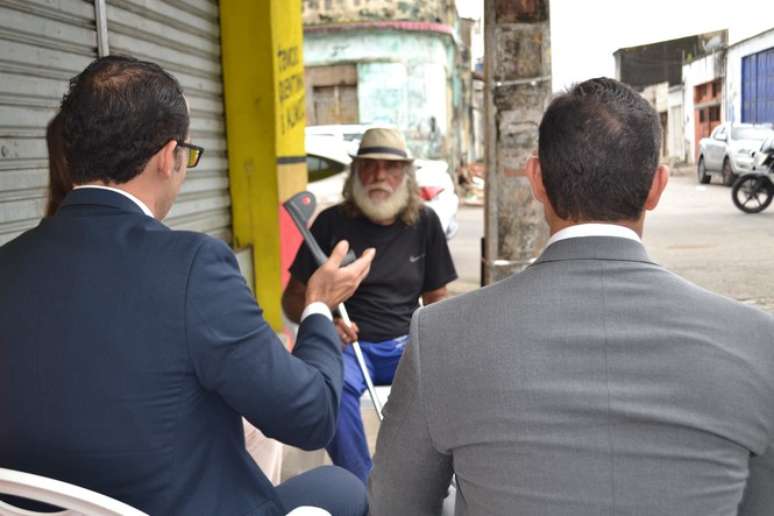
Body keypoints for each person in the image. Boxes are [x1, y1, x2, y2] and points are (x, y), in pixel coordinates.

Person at [368, 77, 774, 515]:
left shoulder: (441, 336)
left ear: (537, 179)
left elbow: (394, 504)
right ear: (657, 186)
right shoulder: (756, 340)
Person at [0, 55, 375, 516]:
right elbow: (311, 416)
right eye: (188, 156)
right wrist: (318, 305)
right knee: (344, 487)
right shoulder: (194, 265)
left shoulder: (9, 264)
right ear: (167, 156)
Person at [282, 127, 457, 483]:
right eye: (369, 166)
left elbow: (437, 300)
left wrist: (435, 348)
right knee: (328, 388)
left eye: (390, 167)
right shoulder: (331, 223)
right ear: (356, 172)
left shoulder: (425, 223)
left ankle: (426, 483)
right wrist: (324, 318)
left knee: (452, 382)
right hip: (348, 346)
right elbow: (291, 299)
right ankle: (362, 486)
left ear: (405, 175)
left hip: (406, 344)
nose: (379, 176)